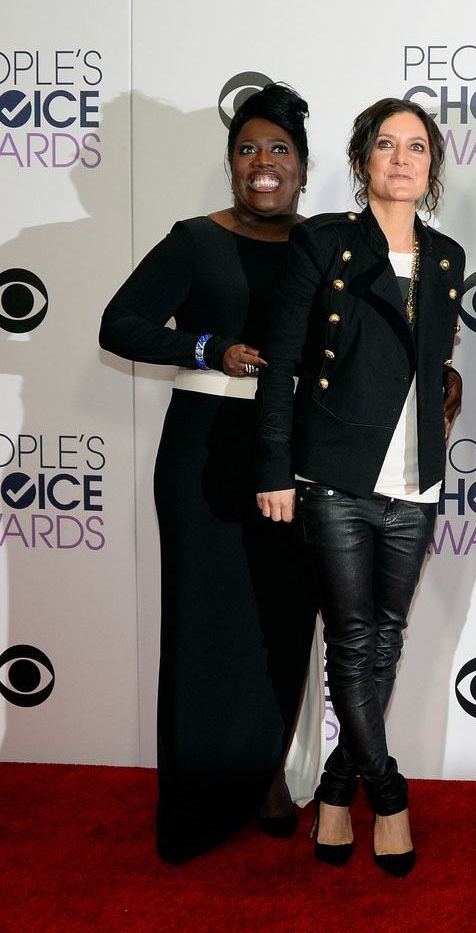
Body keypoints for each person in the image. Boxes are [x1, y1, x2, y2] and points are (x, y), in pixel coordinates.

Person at [99, 84, 317, 863]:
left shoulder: (324, 244)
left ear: (303, 165)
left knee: (282, 624)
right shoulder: (195, 239)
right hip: (201, 457)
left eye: (279, 151)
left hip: (293, 456)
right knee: (202, 628)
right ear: (230, 164)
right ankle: (197, 794)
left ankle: (265, 773)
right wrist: (204, 347)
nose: (263, 165)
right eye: (248, 150)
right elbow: (118, 323)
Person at [255, 98, 464, 878]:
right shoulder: (322, 244)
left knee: (383, 642)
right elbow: (281, 363)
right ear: (362, 161)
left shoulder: (446, 256)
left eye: (417, 147)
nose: (402, 159)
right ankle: (390, 790)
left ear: (432, 168)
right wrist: (274, 469)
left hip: (415, 479)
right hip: (336, 476)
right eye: (386, 145)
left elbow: (435, 364)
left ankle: (337, 791)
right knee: (351, 640)